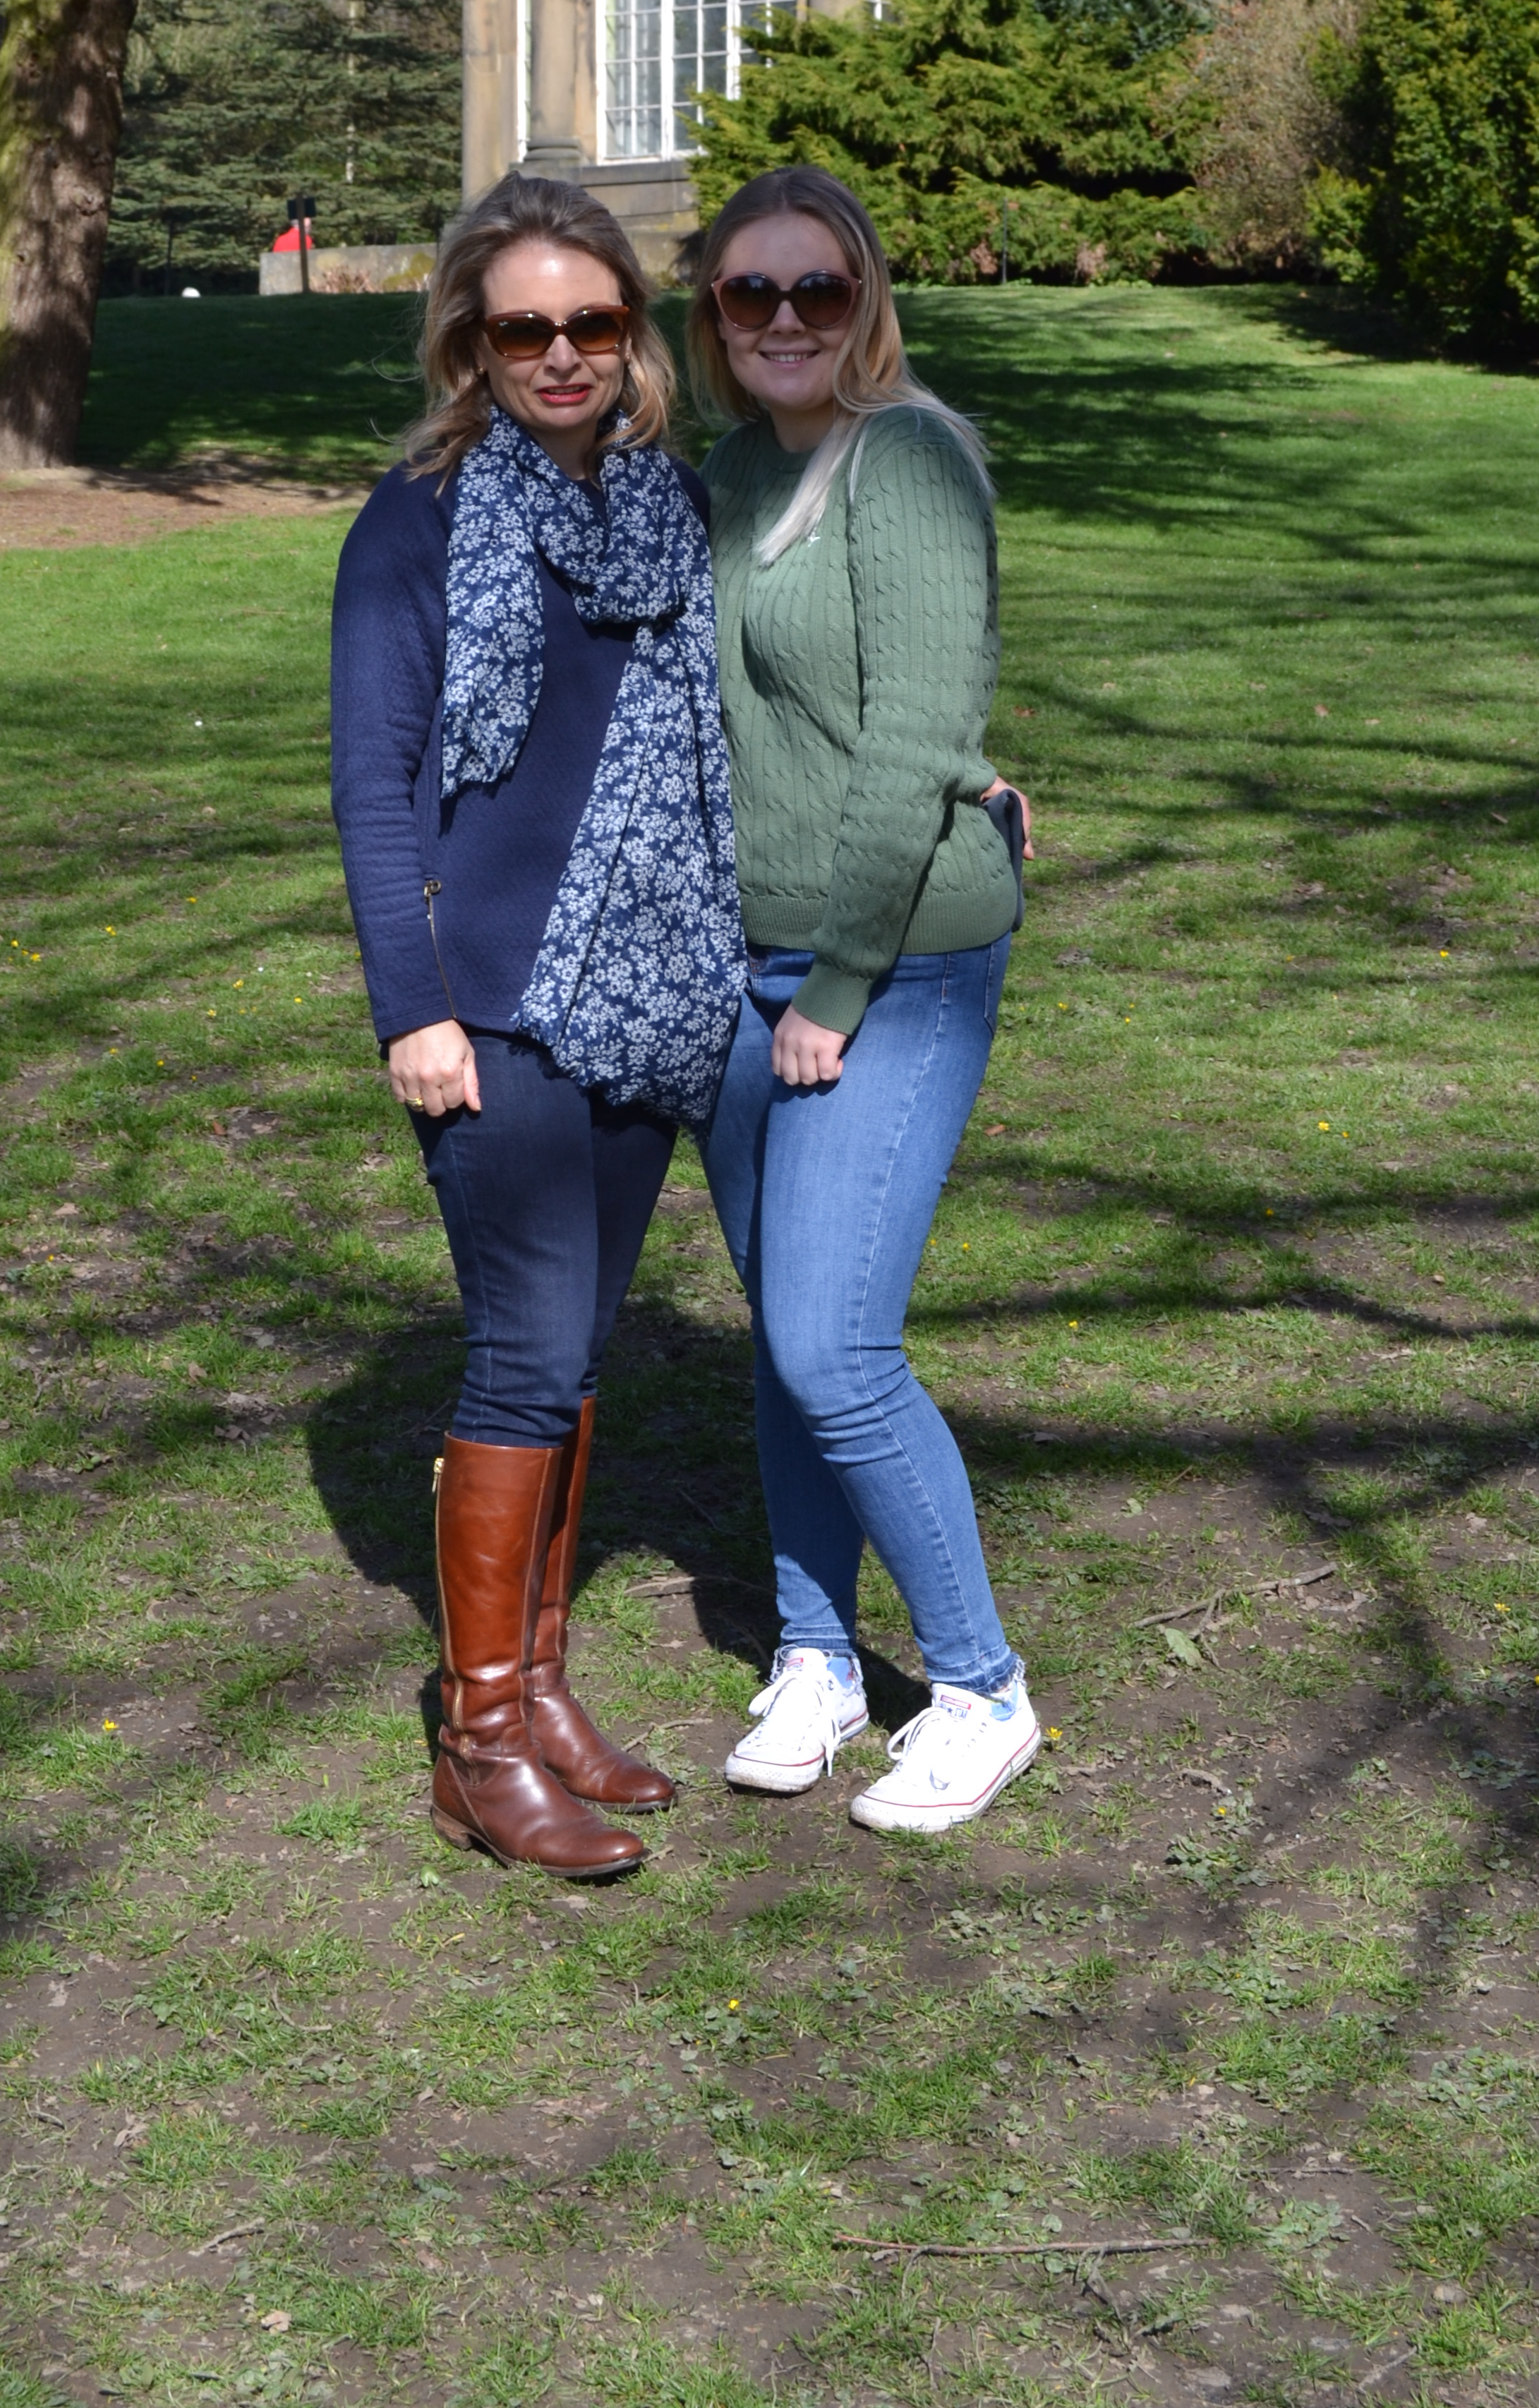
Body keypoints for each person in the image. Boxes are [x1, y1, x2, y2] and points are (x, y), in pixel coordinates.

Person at [331, 173, 745, 1877]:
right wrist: (409, 1010)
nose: (561, 354)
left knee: (576, 1355)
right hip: (488, 1007)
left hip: (645, 986)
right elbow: (373, 786)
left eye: (591, 321)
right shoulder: (414, 524)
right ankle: (479, 1742)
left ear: (631, 332)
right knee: (522, 1350)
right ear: (468, 345)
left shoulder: (671, 506)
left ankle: (545, 1689)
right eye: (524, 329)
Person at [692, 162, 1039, 1836]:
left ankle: (980, 1687)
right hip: (738, 961)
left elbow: (909, 739)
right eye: (748, 292)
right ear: (711, 316)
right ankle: (819, 1655)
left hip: (887, 963)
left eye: (814, 289)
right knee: (783, 1332)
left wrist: (832, 985)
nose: (783, 319)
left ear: (866, 300)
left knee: (832, 1341)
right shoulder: (730, 474)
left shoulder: (905, 460)